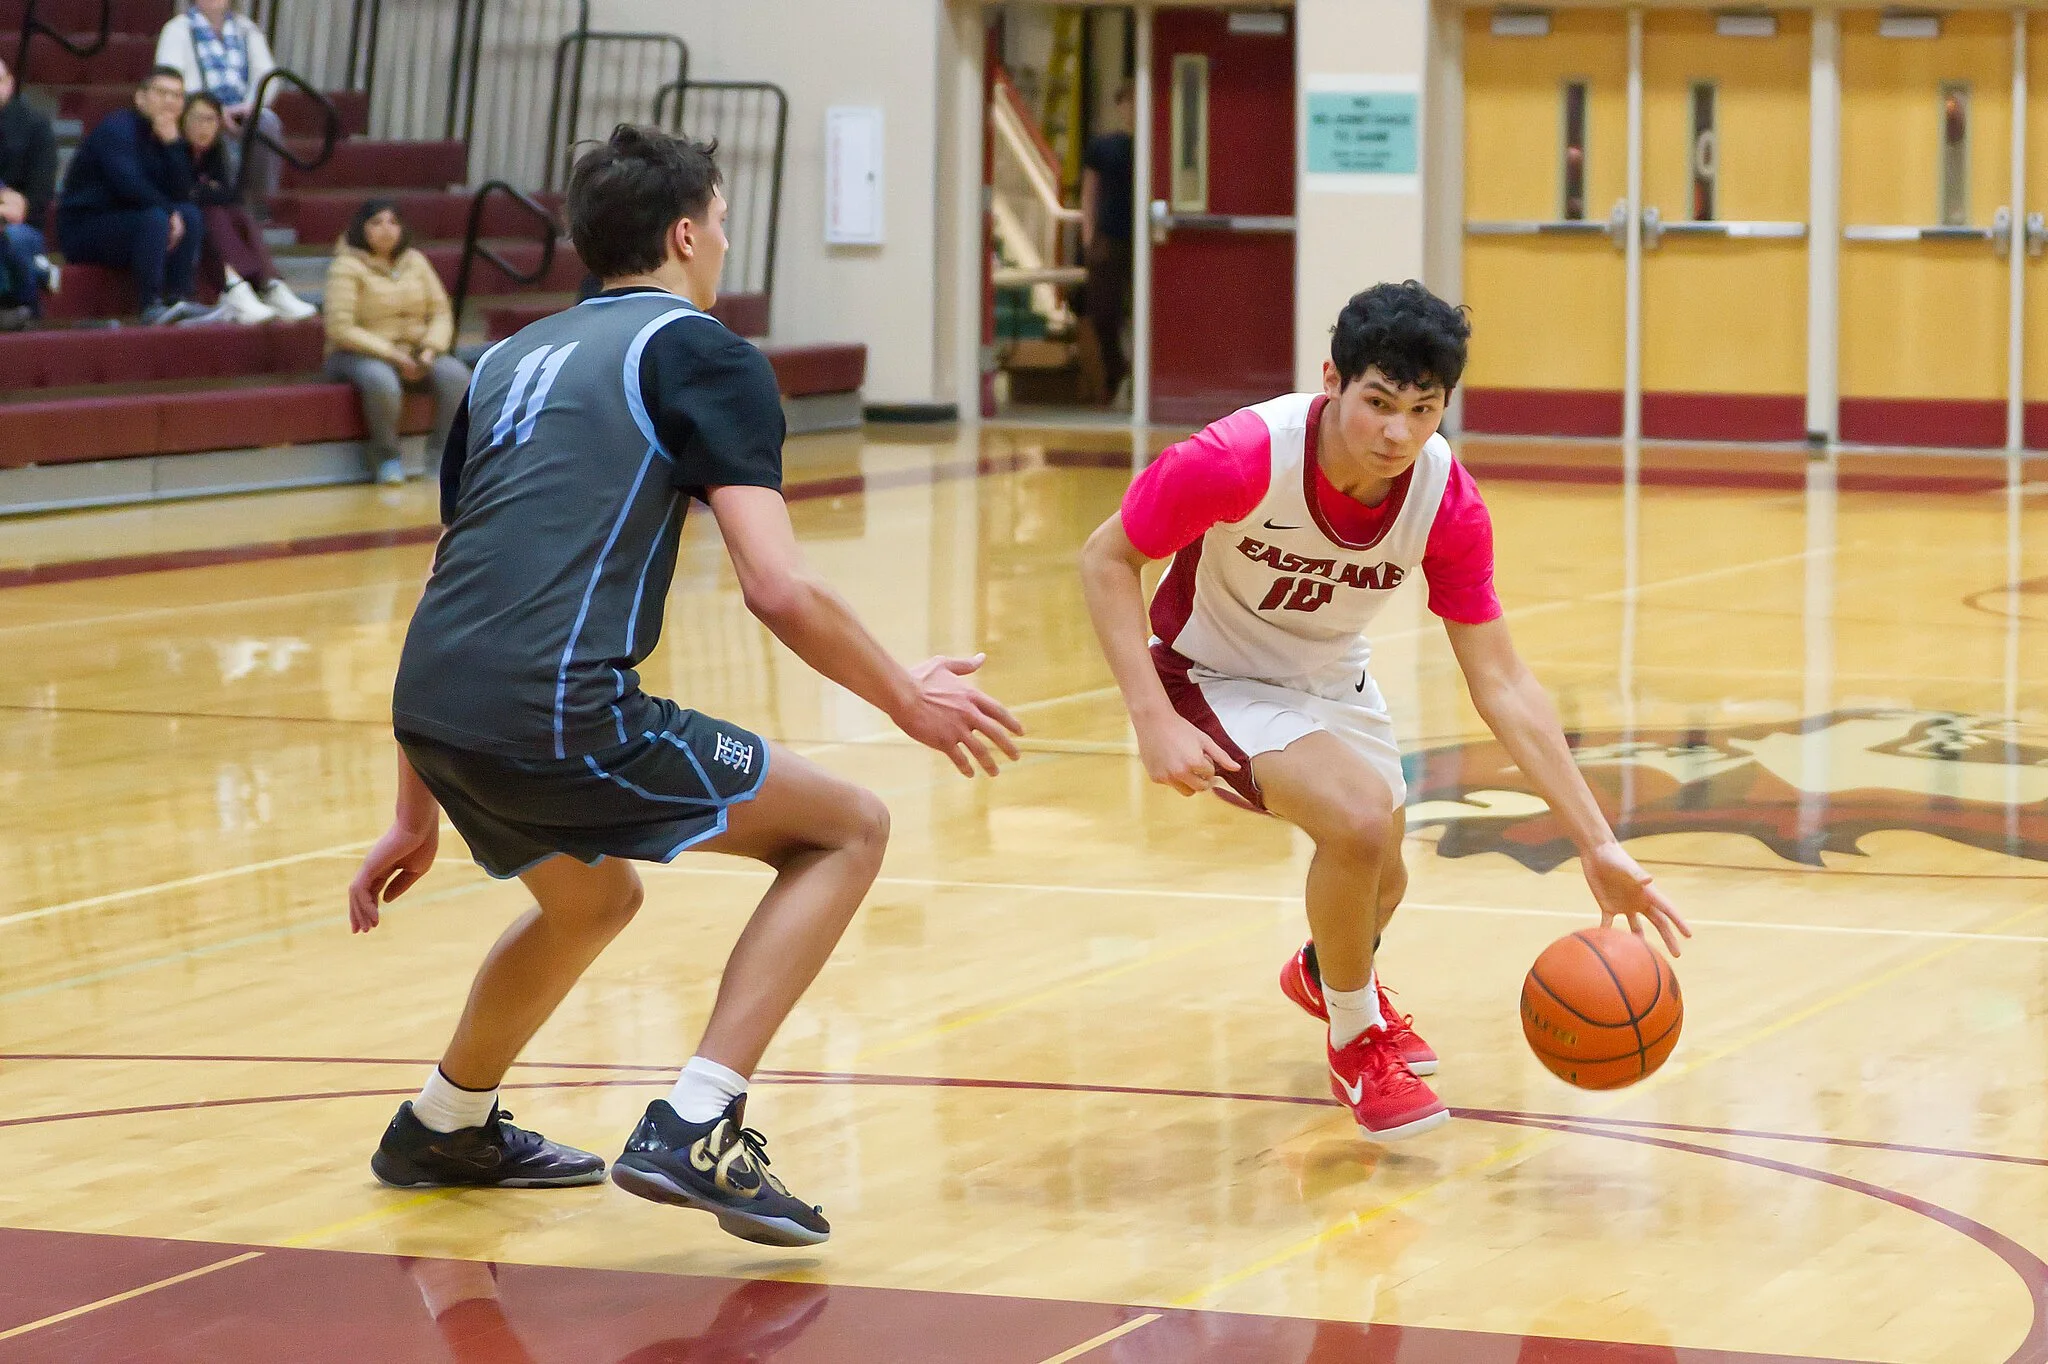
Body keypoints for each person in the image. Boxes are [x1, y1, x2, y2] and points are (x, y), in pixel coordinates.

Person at [345, 124, 1024, 1247]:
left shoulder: (508, 359)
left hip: (435, 704)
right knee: (847, 829)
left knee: (593, 898)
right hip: (555, 707)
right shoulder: (701, 352)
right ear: (685, 234)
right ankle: (698, 1119)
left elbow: (448, 578)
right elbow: (778, 586)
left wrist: (414, 809)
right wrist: (906, 698)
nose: (723, 242)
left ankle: (444, 1123)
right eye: (720, 222)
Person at [1077, 281, 1690, 1142]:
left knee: (1384, 878)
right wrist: (1151, 718)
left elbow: (1502, 681)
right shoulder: (1241, 457)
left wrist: (1598, 842)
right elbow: (1106, 558)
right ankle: (1356, 1041)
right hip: (1208, 675)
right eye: (1378, 403)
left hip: (1330, 675)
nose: (1398, 433)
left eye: (1422, 410)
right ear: (1332, 380)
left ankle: (1323, 973)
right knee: (1359, 820)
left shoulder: (1444, 498)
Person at [56, 67, 218, 326]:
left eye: (177, 95)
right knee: (156, 218)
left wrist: (173, 146)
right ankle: (150, 305)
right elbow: (128, 184)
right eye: (162, 93)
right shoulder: (117, 128)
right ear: (140, 98)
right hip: (87, 226)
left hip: (133, 222)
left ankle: (179, 298)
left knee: (190, 215)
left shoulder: (169, 136)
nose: (170, 101)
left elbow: (184, 193)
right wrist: (168, 211)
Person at [323, 199, 466, 484]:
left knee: (457, 376)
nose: (386, 229)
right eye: (377, 223)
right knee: (382, 381)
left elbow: (441, 312)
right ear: (361, 229)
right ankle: (386, 458)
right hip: (357, 353)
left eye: (393, 222)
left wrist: (429, 350)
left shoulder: (416, 261)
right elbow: (341, 328)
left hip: (415, 350)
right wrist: (392, 355)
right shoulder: (345, 265)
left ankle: (441, 459)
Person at [180, 93, 314, 322]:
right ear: (183, 121)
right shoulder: (175, 149)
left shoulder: (216, 151)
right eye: (197, 119)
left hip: (209, 211)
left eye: (211, 120)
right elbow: (185, 192)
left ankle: (270, 285)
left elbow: (228, 194)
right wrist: (207, 190)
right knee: (213, 214)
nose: (204, 127)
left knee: (239, 213)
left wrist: (205, 190)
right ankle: (234, 286)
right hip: (184, 216)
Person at [154, 0, 282, 214]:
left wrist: (250, 106)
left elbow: (268, 76)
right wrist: (217, 111)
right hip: (197, 107)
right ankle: (229, 201)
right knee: (209, 122)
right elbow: (171, 78)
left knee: (268, 123)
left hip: (243, 108)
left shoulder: (247, 29)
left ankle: (259, 201)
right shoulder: (177, 29)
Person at [1080, 83, 1134, 407]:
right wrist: (1089, 235)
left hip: (1142, 241)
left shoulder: (1152, 144)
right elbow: (1090, 191)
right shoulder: (1104, 147)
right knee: (1104, 310)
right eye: (1127, 102)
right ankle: (1114, 371)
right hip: (1109, 238)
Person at [0, 56, 60, 328]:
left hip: (21, 227)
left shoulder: (35, 127)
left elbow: (30, 204)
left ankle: (24, 310)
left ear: (9, 84)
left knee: (13, 238)